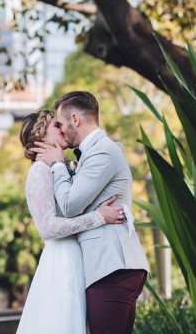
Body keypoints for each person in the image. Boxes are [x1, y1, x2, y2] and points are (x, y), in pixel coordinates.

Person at [32, 91, 149, 334]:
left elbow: (70, 205)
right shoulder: (95, 152)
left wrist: (57, 164)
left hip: (111, 265)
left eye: (62, 124)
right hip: (110, 266)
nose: (62, 131)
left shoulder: (102, 151)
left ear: (75, 119)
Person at [17, 109, 126, 334]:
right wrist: (98, 217)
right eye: (56, 125)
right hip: (63, 262)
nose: (64, 128)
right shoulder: (39, 171)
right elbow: (48, 228)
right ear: (40, 135)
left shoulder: (63, 167)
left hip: (84, 257)